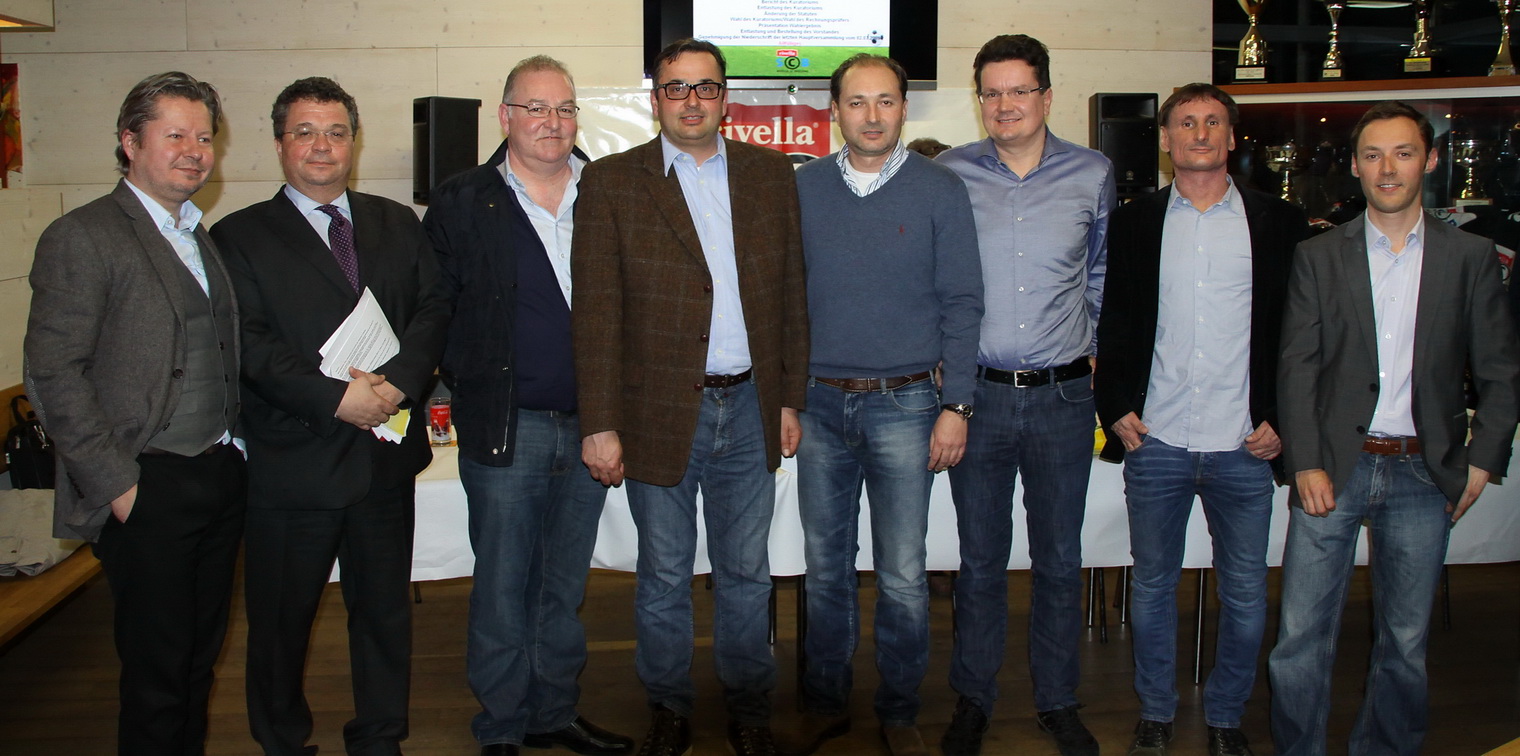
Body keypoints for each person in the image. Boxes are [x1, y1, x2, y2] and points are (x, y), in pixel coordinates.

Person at [571, 37, 808, 756]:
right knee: (665, 575)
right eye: (677, 88)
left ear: (724, 97)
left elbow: (792, 294)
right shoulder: (612, 181)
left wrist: (788, 398)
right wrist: (600, 422)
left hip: (752, 406)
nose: (692, 101)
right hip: (656, 413)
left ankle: (749, 710)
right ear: (656, 100)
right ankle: (669, 708)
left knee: (746, 574)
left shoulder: (771, 175)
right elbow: (596, 312)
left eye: (705, 87)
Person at [1269, 100, 1520, 756]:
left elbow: (1501, 370)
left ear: (1429, 161)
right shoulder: (1319, 256)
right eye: (1373, 154)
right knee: (1299, 640)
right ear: (1355, 167)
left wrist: (1483, 459)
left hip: (1423, 474)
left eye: (1403, 153)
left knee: (1405, 645)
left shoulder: (1470, 258)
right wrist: (1305, 462)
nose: (1388, 168)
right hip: (1332, 469)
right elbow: (1296, 368)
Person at [211, 76, 449, 756]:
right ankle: (283, 741)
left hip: (383, 459)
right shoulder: (237, 237)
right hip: (294, 465)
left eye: (336, 132)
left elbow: (433, 309)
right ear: (280, 143)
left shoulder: (396, 222)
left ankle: (380, 736)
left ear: (354, 141)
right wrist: (335, 399)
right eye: (306, 132)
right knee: (280, 626)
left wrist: (397, 385)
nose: (322, 146)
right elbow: (247, 343)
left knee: (384, 616)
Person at [24, 70, 243, 756]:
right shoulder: (82, 235)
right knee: (155, 679)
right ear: (129, 142)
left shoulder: (198, 234)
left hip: (219, 475)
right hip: (147, 482)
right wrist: (119, 488)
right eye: (175, 135)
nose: (194, 151)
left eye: (203, 137)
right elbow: (53, 373)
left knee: (197, 664)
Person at [422, 55, 632, 756]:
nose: (552, 122)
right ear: (505, 115)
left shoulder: (609, 191)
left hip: (593, 427)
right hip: (506, 427)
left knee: (562, 586)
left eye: (564, 109)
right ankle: (503, 725)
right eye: (536, 108)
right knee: (503, 584)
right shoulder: (462, 199)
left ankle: (553, 712)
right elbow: (435, 309)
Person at [1093, 82, 1309, 756]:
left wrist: (1282, 418)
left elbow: (1299, 333)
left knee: (1244, 594)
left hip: (1246, 443)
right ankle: (1156, 712)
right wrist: (1115, 407)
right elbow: (1114, 321)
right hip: (1156, 438)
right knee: (1153, 586)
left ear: (1232, 136)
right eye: (1185, 123)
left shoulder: (1279, 222)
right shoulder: (1135, 221)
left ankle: (1225, 718)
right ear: (1165, 139)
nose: (1200, 134)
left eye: (1213, 122)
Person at [785, 53, 983, 756]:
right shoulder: (801, 188)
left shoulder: (941, 189)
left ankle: (899, 709)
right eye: (857, 102)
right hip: (817, 406)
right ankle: (826, 701)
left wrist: (957, 404)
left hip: (909, 405)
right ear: (834, 110)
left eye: (886, 101)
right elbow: (782, 301)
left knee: (902, 573)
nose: (872, 116)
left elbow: (964, 303)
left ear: (904, 107)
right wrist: (784, 397)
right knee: (825, 567)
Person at [935, 34, 1115, 756]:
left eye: (1020, 90)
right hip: (977, 398)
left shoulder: (1093, 172)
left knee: (1059, 560)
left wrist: (1094, 347)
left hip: (1063, 399)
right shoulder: (949, 174)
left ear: (1046, 96)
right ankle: (973, 699)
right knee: (979, 562)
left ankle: (1058, 701)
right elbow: (936, 281)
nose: (1006, 104)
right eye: (993, 92)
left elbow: (1101, 273)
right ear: (979, 100)